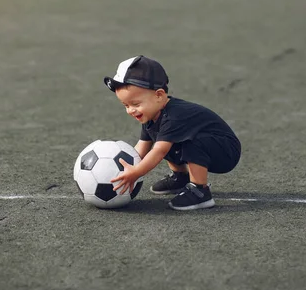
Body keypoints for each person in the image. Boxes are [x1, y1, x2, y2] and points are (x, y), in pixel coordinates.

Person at [103, 55, 241, 211]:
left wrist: (136, 173)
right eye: (125, 105)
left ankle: (200, 191)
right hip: (210, 144)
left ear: (159, 95)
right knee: (163, 138)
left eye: (135, 103)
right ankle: (180, 177)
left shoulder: (173, 116)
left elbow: (158, 152)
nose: (130, 110)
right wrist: (125, 167)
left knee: (182, 144)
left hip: (225, 150)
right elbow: (141, 147)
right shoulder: (151, 116)